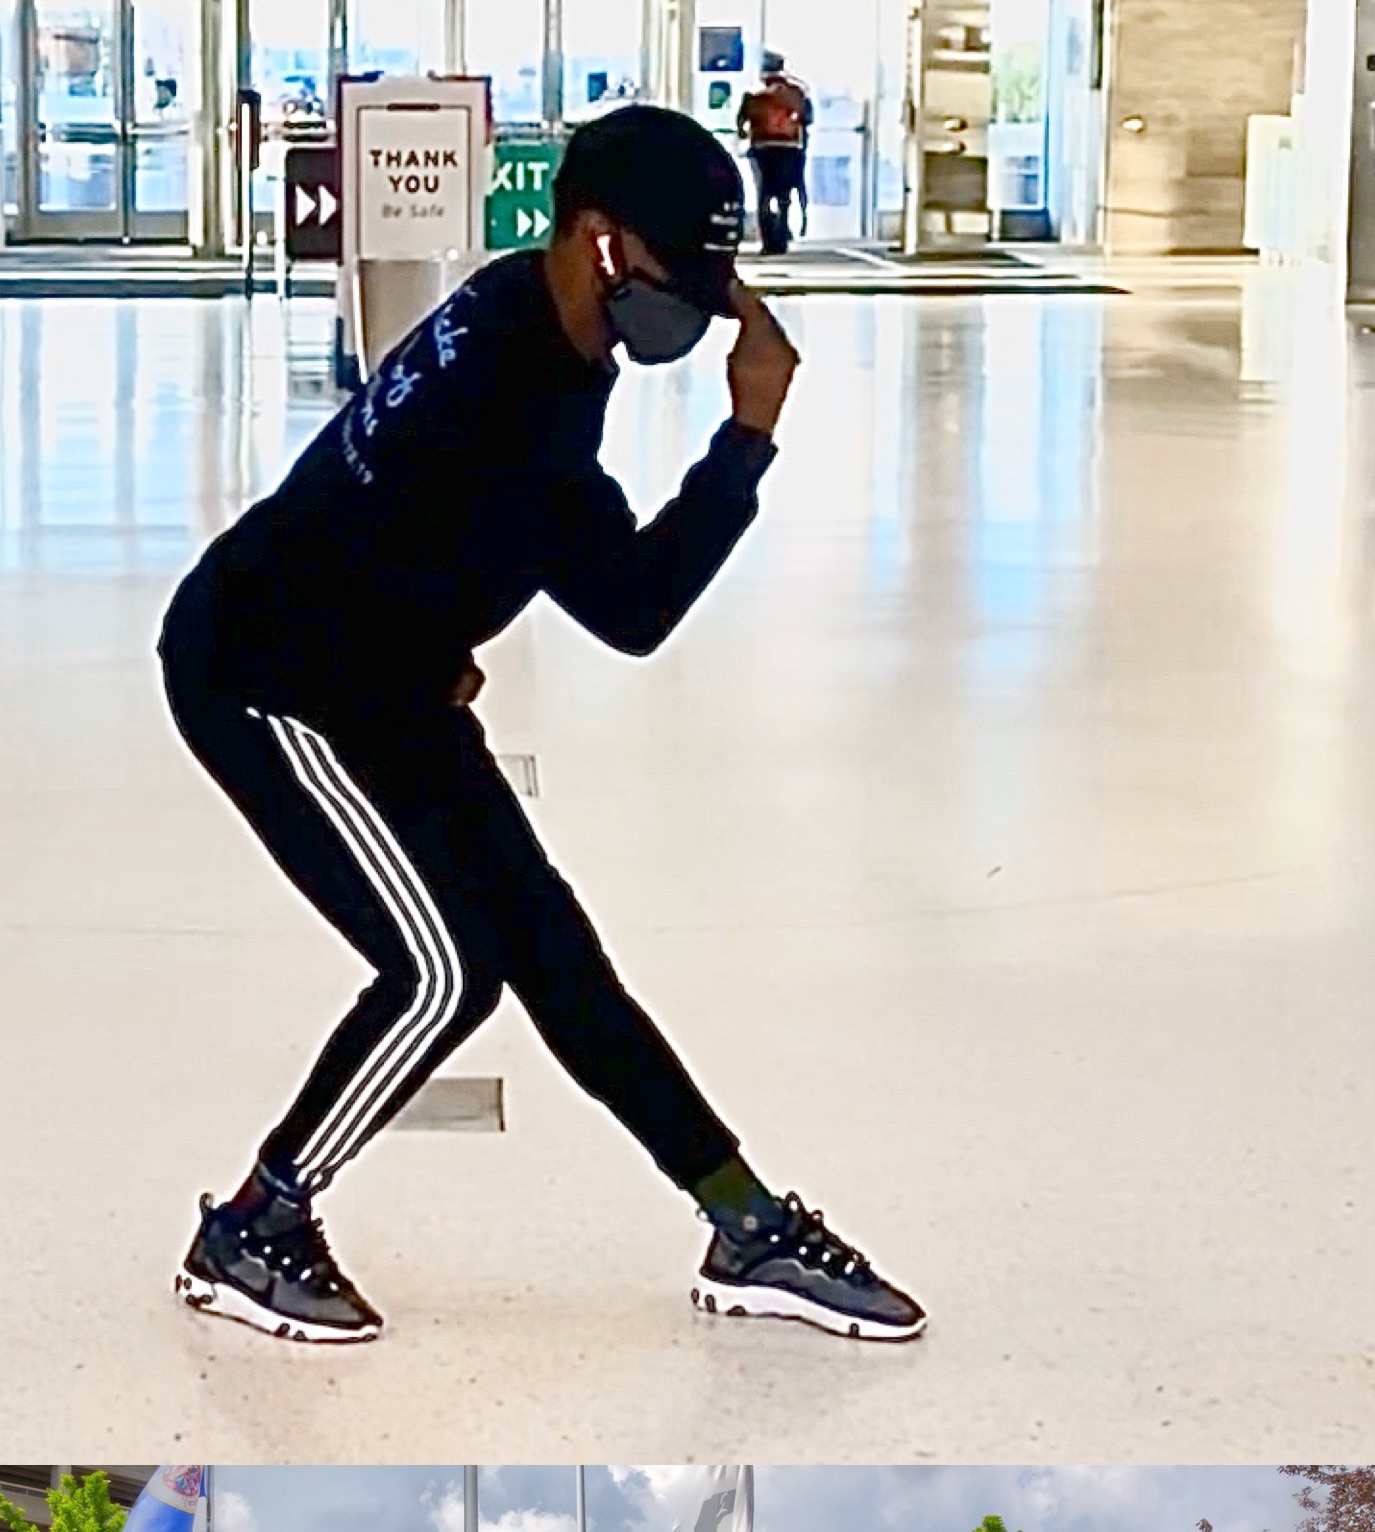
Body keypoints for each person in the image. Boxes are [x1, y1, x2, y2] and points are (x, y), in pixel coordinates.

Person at [158, 104, 925, 1347]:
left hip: (376, 669)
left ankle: (744, 1222)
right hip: (267, 676)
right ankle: (254, 1222)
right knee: (443, 970)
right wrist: (746, 435)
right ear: (598, 237)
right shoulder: (521, 389)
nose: (691, 309)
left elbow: (389, 503)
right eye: (680, 280)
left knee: (554, 954)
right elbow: (630, 606)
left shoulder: (536, 314)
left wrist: (428, 632)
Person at [737, 54, 811, 254]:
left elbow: (741, 124)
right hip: (789, 147)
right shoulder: (796, 92)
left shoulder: (753, 94)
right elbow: (807, 120)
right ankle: (783, 235)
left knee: (764, 193)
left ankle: (768, 239)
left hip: (762, 146)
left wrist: (746, 133)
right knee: (784, 195)